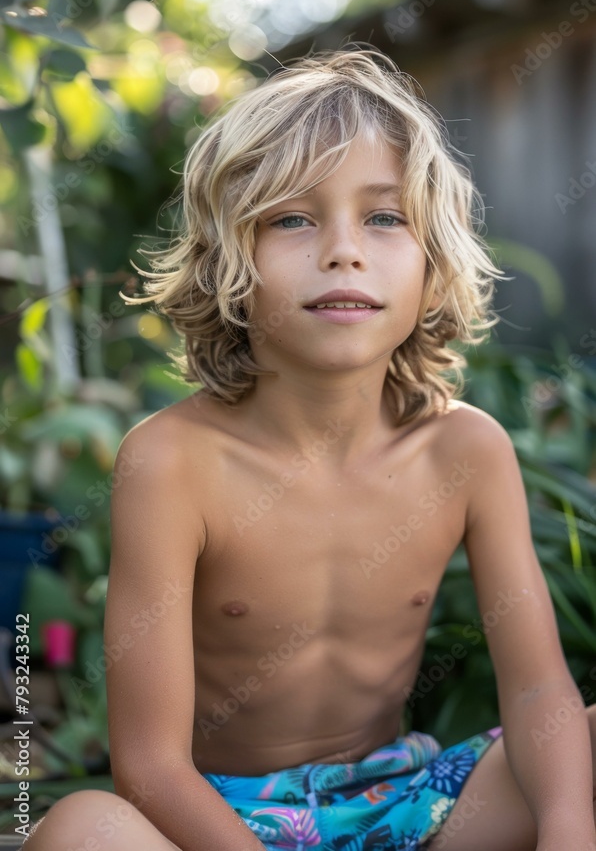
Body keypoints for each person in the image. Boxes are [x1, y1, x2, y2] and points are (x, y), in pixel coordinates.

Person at [23, 46, 595, 851]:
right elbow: (148, 766)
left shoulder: (465, 450)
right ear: (228, 258)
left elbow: (538, 690)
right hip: (221, 820)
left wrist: (569, 835)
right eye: (292, 218)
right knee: (80, 830)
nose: (343, 249)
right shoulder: (173, 462)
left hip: (411, 804)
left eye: (385, 217)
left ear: (434, 266)